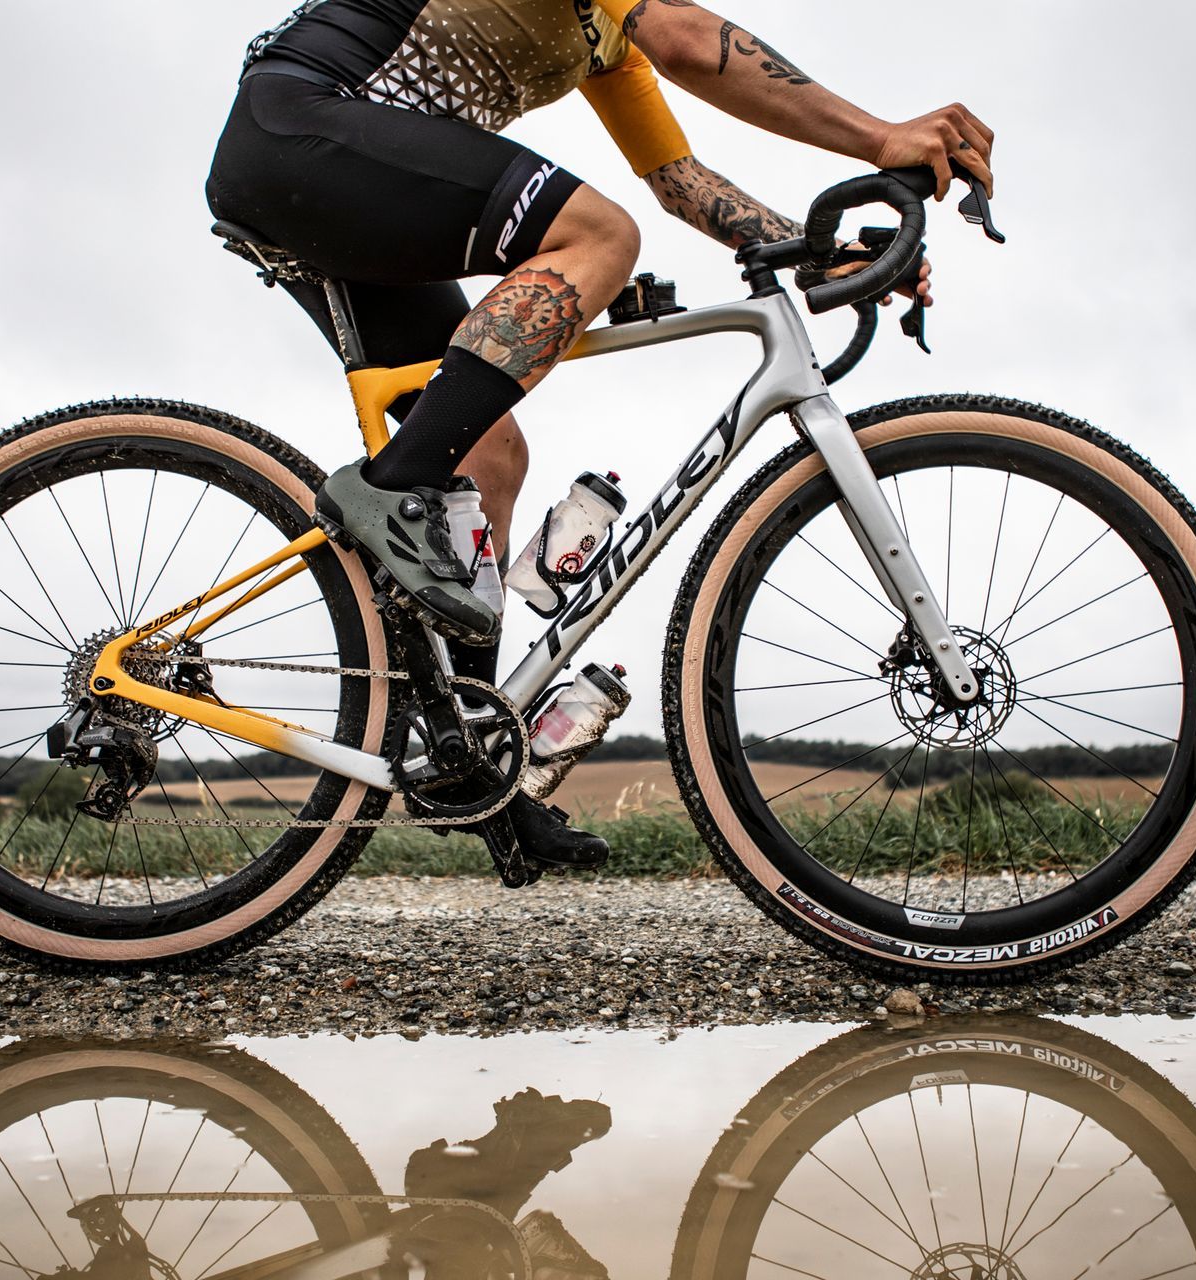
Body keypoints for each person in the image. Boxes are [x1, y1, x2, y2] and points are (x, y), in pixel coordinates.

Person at [207, 0, 993, 866]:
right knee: (599, 235)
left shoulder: (610, 45)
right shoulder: (643, 19)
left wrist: (816, 251)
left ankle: (474, 767)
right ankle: (390, 489)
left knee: (489, 455)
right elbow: (688, 41)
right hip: (305, 123)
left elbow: (678, 177)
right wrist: (881, 138)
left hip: (336, 171)